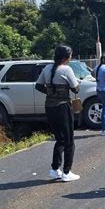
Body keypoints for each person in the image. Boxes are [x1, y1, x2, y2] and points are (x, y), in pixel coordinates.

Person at [35, 44, 80, 182]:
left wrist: (51, 92)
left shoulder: (47, 68)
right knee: (69, 140)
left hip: (49, 107)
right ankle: (67, 172)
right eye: (70, 55)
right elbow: (76, 89)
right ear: (67, 57)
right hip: (63, 107)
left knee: (59, 138)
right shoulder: (66, 69)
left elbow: (38, 85)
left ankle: (55, 170)